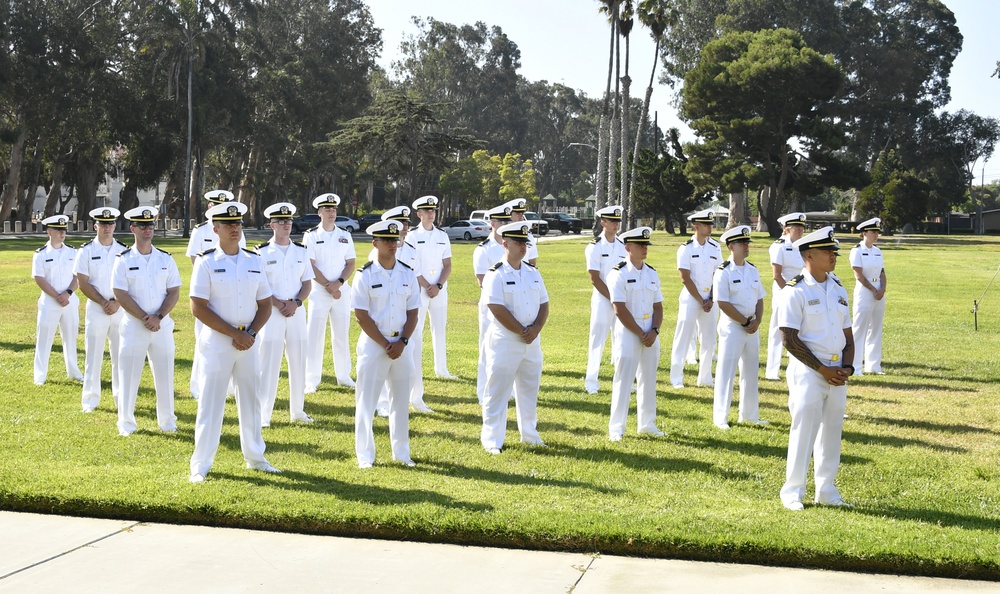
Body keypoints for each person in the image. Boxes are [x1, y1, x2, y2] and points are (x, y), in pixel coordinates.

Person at [189, 201, 279, 483]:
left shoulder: (254, 260)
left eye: (238, 224)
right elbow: (198, 307)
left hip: (249, 342)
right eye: (228, 225)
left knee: (251, 400)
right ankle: (201, 464)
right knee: (211, 403)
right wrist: (234, 334)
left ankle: (255, 457)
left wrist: (249, 334)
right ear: (215, 228)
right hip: (218, 342)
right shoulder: (206, 262)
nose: (235, 229)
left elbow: (265, 304)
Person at [776, 226, 854, 511]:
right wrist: (823, 369)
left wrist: (847, 366)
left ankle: (827, 490)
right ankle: (792, 492)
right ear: (809, 255)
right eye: (827, 252)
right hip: (809, 371)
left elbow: (848, 334)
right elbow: (789, 339)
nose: (834, 256)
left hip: (836, 371)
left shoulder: (838, 287)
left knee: (832, 431)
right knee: (804, 431)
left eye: (834, 251)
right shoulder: (794, 290)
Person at [352, 219, 420, 468]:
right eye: (387, 240)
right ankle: (365, 455)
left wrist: (401, 341)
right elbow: (361, 314)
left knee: (401, 401)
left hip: (402, 345)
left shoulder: (407, 273)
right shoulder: (365, 274)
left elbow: (413, 312)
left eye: (395, 240)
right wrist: (385, 343)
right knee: (366, 401)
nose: (393, 244)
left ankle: (401, 453)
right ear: (375, 243)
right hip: (374, 344)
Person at [480, 221, 549, 454]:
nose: (523, 246)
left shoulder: (533, 272)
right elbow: (496, 308)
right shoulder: (495, 274)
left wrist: (536, 328)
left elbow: (544, 303)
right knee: (497, 391)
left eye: (525, 242)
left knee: (529, 390)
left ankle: (529, 434)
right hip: (506, 341)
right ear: (505, 243)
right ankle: (492, 439)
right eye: (518, 242)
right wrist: (522, 330)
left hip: (532, 341)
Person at [112, 207, 180, 436]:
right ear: (133, 229)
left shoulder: (165, 258)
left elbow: (174, 291)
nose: (148, 229)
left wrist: (158, 316)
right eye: (142, 226)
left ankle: (167, 421)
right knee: (129, 375)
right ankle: (126, 423)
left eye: (150, 225)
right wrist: (144, 317)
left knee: (165, 375)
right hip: (134, 326)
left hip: (161, 326)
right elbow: (120, 293)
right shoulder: (122, 260)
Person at [369, 205, 433, 414]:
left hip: (410, 308)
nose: (405, 227)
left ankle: (416, 398)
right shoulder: (376, 252)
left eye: (406, 223)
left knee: (413, 352)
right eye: (400, 223)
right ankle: (383, 403)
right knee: (382, 355)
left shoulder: (413, 251)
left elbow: (417, 277)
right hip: (385, 311)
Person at [255, 202, 314, 426]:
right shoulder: (261, 252)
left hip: (296, 312)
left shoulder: (301, 251)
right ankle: (263, 414)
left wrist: (296, 303)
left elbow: (307, 283)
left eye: (289, 221)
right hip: (271, 313)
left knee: (299, 361)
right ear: (272, 224)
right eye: (281, 221)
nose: (286, 225)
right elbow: (260, 286)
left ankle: (298, 411)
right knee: (268, 362)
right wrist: (280, 304)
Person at [186, 189, 246, 400]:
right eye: (213, 205)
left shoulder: (236, 229)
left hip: (230, 292)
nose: (215, 208)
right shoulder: (200, 230)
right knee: (203, 340)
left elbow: (242, 259)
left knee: (230, 342)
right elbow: (196, 260)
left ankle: (229, 387)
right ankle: (198, 386)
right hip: (206, 292)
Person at [606, 226, 665, 441]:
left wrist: (655, 331)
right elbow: (619, 308)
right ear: (627, 247)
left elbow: (658, 306)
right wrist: (641, 333)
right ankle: (617, 428)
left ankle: (647, 424)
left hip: (650, 332)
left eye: (646, 245)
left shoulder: (651, 272)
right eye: (640, 245)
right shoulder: (617, 273)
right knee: (623, 379)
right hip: (629, 332)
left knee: (648, 379)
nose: (644, 248)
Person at [712, 225, 767, 430]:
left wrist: (757, 320)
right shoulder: (723, 272)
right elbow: (723, 303)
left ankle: (750, 415)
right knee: (727, 372)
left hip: (752, 326)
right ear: (730, 246)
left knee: (751, 371)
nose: (746, 246)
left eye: (747, 243)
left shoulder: (752, 270)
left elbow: (760, 297)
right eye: (742, 243)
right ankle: (721, 417)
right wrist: (745, 322)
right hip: (733, 327)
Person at [75, 207, 128, 412]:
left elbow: (129, 282)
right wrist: (103, 302)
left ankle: (120, 398)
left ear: (115, 225)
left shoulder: (123, 250)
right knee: (93, 355)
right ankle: (90, 399)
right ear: (96, 226)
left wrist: (117, 302)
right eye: (103, 224)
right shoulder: (86, 251)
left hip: (120, 309)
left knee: (119, 356)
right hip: (97, 309)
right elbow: (83, 282)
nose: (107, 228)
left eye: (110, 224)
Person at [303, 193, 357, 391]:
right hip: (319, 292)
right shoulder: (311, 235)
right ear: (319, 213)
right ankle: (312, 379)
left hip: (341, 292)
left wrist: (339, 283)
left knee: (341, 334)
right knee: (315, 336)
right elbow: (310, 265)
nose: (332, 212)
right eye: (327, 209)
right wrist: (329, 285)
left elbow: (351, 262)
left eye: (334, 209)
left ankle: (343, 375)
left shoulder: (345, 235)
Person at [669, 209, 721, 388]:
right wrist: (701, 300)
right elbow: (685, 277)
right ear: (696, 226)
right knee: (682, 338)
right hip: (692, 298)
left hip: (710, 299)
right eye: (706, 224)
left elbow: (718, 274)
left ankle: (705, 377)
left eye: (710, 224)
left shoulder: (715, 247)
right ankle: (676, 377)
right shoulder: (686, 249)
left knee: (709, 339)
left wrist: (711, 298)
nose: (710, 227)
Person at [410, 195, 457, 379]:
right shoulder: (413, 236)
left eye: (433, 210)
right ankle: (415, 368)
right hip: (420, 290)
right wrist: (426, 285)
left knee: (439, 328)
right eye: (427, 211)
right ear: (419, 214)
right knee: (416, 330)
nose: (431, 214)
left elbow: (448, 265)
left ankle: (441, 369)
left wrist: (437, 285)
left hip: (439, 290)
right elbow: (413, 266)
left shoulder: (442, 235)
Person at [32, 214, 83, 385]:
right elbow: (40, 278)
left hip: (69, 301)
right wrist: (57, 296)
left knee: (71, 337)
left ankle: (74, 371)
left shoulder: (72, 252)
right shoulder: (40, 254)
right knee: (44, 338)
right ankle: (40, 375)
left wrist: (67, 293)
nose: (62, 233)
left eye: (64, 230)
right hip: (50, 302)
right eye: (58, 230)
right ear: (49, 232)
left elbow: (78, 276)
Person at [584, 205, 628, 394]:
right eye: (612, 221)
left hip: (620, 299)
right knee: (597, 340)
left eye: (618, 221)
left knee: (622, 339)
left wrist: (620, 298)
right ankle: (591, 381)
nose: (616, 224)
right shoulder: (594, 246)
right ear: (603, 222)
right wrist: (612, 298)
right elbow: (595, 277)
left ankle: (623, 380)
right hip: (603, 299)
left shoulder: (622, 246)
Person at [472, 204, 513, 404]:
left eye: (508, 221)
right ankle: (483, 391)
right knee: (486, 348)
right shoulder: (483, 249)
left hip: (513, 305)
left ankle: (509, 390)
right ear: (492, 224)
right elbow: (482, 280)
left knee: (510, 347)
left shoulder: (513, 245)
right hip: (491, 306)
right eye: (501, 221)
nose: (505, 224)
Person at [765, 212, 806, 380]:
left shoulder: (804, 245)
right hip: (783, 291)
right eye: (796, 228)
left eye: (802, 227)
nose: (800, 231)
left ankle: (799, 367)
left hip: (802, 292)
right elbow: (777, 275)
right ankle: (772, 371)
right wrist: (788, 293)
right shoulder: (778, 246)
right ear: (786, 229)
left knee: (801, 330)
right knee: (777, 331)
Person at [850, 217, 887, 376]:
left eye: (877, 232)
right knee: (860, 329)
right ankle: (855, 366)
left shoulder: (877, 251)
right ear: (864, 233)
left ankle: (873, 366)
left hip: (878, 289)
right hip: (865, 291)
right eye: (873, 232)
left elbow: (882, 273)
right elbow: (858, 274)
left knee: (876, 328)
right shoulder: (856, 251)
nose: (876, 235)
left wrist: (883, 288)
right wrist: (873, 289)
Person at [504, 198, 538, 266]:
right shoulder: (504, 235)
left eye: (522, 213)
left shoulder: (528, 236)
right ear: (509, 215)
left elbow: (532, 260)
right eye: (517, 213)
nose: (521, 216)